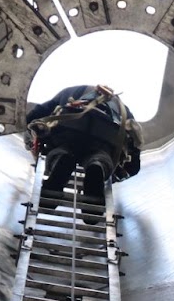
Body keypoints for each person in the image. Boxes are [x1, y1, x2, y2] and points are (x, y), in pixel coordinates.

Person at [24, 84, 143, 217]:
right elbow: (134, 148)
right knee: (101, 157)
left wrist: (30, 139)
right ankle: (98, 166)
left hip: (70, 126)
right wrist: (115, 175)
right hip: (105, 135)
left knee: (61, 150)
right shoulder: (122, 107)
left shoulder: (70, 91)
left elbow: (36, 114)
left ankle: (62, 159)